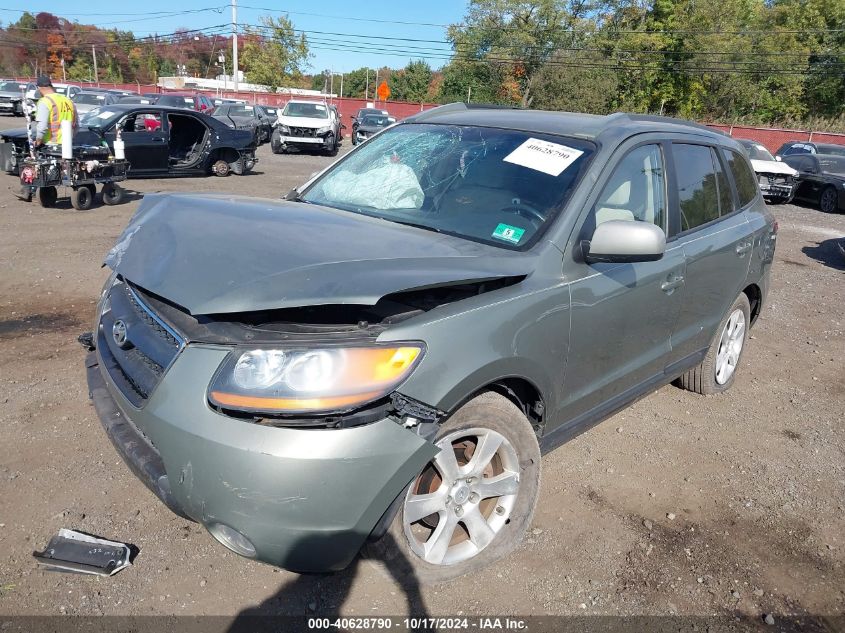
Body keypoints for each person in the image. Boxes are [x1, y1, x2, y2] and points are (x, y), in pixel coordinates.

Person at [33, 75, 78, 148]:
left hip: (51, 144)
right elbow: (77, 125)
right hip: (68, 145)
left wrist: (38, 142)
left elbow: (42, 126)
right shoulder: (68, 100)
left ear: (39, 88)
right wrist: (70, 138)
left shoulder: (44, 101)